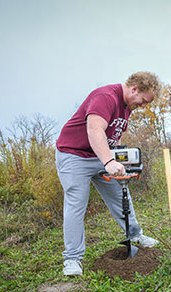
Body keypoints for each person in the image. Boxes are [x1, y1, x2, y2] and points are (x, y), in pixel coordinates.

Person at [56, 71, 161, 276]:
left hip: (101, 156)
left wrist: (118, 159)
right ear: (134, 89)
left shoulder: (126, 106)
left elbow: (113, 136)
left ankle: (135, 235)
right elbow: (94, 131)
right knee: (76, 205)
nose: (143, 106)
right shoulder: (105, 97)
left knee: (120, 196)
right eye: (143, 100)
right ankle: (72, 259)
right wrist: (109, 161)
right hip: (74, 155)